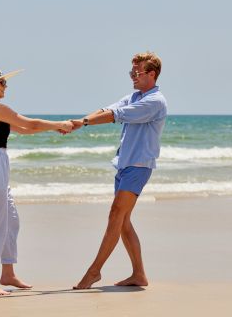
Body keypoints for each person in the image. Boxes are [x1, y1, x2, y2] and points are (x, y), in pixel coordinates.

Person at [0, 66, 73, 295]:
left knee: (11, 219)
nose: (6, 87)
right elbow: (30, 123)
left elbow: (24, 129)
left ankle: (8, 273)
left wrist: (53, 129)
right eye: (4, 83)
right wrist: (59, 124)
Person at [71, 52, 167, 289]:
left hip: (139, 165)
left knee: (116, 215)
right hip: (124, 164)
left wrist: (82, 123)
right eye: (131, 72)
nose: (133, 76)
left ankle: (93, 272)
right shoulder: (134, 96)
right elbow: (108, 108)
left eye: (138, 72)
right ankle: (139, 275)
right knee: (123, 222)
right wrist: (79, 122)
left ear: (151, 74)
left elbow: (117, 115)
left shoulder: (155, 101)